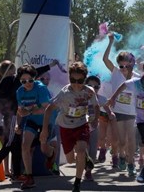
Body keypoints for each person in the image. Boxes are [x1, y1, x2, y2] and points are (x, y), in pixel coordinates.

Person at [41, 62, 99, 192]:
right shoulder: (65, 93)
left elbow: (96, 105)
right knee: (70, 160)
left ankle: (77, 183)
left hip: (81, 124)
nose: (76, 83)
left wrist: (95, 119)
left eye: (80, 80)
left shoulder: (89, 92)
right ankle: (85, 158)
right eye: (73, 80)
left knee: (81, 149)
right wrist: (44, 129)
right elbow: (49, 109)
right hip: (65, 126)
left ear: (85, 79)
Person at [102, 33, 138, 175]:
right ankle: (122, 156)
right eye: (120, 65)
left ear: (131, 64)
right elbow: (105, 59)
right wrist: (110, 42)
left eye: (125, 65)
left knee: (131, 139)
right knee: (122, 141)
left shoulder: (137, 77)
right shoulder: (116, 73)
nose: (122, 68)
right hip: (118, 112)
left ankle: (131, 164)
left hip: (132, 113)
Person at [15, 64, 51, 190]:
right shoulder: (20, 91)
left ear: (34, 78)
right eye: (23, 81)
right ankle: (29, 177)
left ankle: (51, 154)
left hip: (47, 120)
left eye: (30, 80)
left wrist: (29, 111)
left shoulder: (40, 88)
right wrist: (17, 124)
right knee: (25, 146)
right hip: (32, 121)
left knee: (44, 148)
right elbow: (20, 111)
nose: (27, 83)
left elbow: (46, 108)